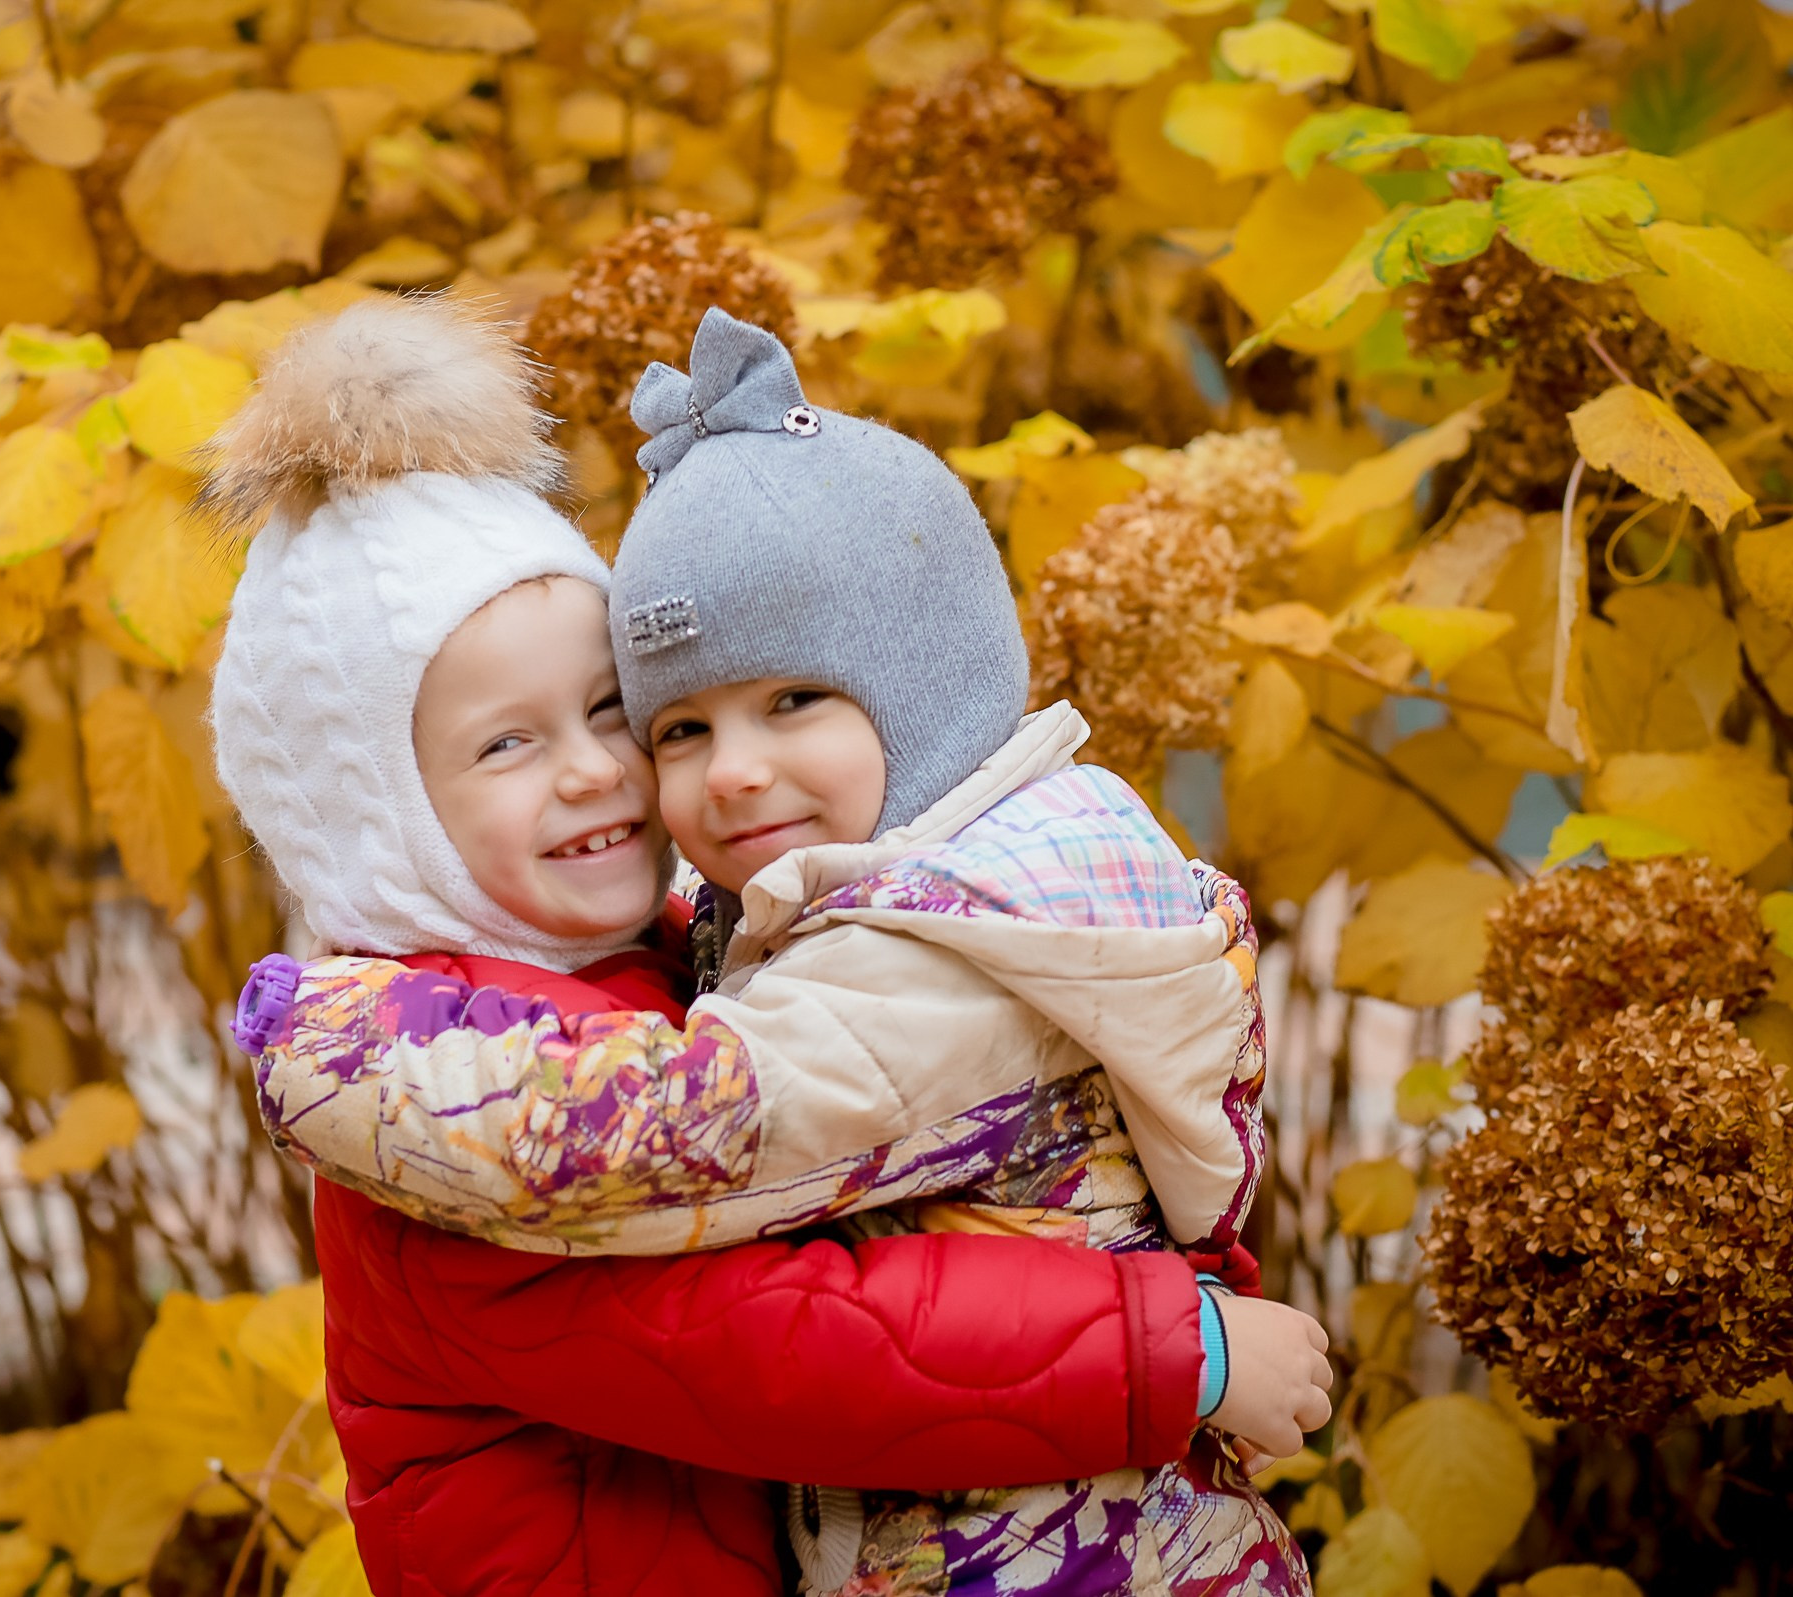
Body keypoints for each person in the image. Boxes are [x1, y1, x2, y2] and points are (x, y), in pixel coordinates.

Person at [236, 307, 1329, 1594]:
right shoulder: (430, 1111)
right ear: (383, 813)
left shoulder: (740, 950)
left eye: (608, 715)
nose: (601, 771)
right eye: (507, 744)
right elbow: (771, 1346)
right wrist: (1176, 1348)